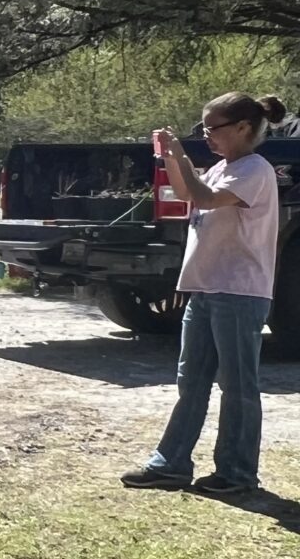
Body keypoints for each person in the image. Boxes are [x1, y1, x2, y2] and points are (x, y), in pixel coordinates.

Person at [122, 93, 285, 496]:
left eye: (213, 128)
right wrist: (171, 158)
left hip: (240, 291)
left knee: (238, 386)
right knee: (190, 381)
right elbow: (186, 192)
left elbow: (206, 199)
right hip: (208, 288)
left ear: (244, 128)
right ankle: (171, 464)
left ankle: (236, 472)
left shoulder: (254, 170)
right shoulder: (221, 169)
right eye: (203, 129)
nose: (207, 136)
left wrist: (180, 152)